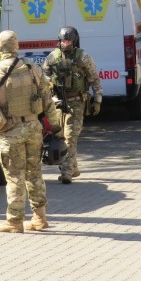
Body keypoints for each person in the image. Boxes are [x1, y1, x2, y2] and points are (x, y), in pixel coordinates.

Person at [0, 30, 62, 233]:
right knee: (35, 173)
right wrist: (56, 127)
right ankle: (40, 218)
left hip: (10, 132)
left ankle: (14, 221)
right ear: (17, 46)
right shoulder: (33, 69)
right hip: (34, 128)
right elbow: (48, 101)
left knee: (15, 176)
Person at [42, 26, 103, 184]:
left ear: (74, 42)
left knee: (71, 136)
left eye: (69, 41)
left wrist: (98, 100)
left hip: (76, 102)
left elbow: (94, 79)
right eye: (63, 41)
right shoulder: (52, 58)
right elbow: (43, 79)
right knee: (60, 136)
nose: (66, 44)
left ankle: (67, 172)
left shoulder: (83, 58)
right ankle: (73, 167)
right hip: (57, 103)